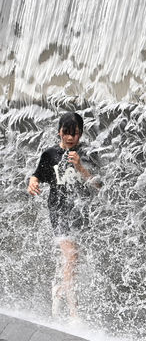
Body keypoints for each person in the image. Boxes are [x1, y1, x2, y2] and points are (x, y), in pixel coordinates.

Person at [27, 112, 100, 319]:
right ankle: (74, 314)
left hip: (80, 213)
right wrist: (32, 182)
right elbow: (37, 175)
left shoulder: (88, 155)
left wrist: (80, 166)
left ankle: (60, 290)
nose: (70, 138)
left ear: (81, 134)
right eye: (66, 133)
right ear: (59, 131)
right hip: (59, 212)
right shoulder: (50, 154)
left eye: (75, 134)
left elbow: (97, 184)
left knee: (73, 263)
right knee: (71, 256)